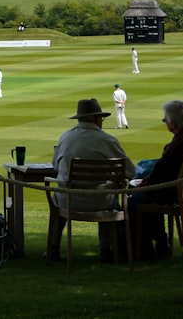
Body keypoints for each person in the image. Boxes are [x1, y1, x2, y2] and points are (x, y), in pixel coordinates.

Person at [49, 98, 135, 262]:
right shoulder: (108, 140)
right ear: (96, 119)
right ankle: (106, 249)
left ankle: (54, 247)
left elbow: (55, 167)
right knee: (107, 193)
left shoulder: (65, 137)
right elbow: (130, 171)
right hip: (101, 201)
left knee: (57, 197)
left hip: (69, 201)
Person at [129, 100, 183, 259]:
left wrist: (140, 184)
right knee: (148, 195)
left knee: (134, 200)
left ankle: (145, 248)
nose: (165, 122)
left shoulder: (177, 144)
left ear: (172, 122)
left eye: (165, 119)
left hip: (177, 194)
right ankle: (161, 243)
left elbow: (158, 177)